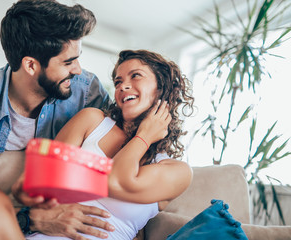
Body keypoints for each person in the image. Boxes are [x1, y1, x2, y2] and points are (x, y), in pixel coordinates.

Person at [0, 0, 114, 239]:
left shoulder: (87, 92)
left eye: (77, 58)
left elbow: (119, 152)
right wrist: (31, 218)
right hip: (8, 220)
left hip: (82, 218)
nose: (78, 70)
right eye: (68, 61)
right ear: (30, 65)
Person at [19, 49, 195, 239]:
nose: (123, 86)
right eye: (118, 82)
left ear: (161, 88)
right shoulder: (91, 121)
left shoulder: (177, 171)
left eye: (135, 76)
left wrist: (144, 136)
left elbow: (116, 181)